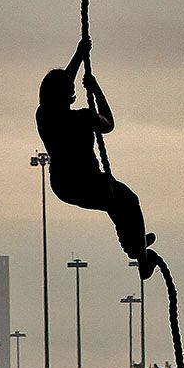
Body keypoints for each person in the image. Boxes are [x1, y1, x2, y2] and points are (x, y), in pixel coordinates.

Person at [37, 39, 157, 280]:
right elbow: (109, 124)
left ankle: (134, 244)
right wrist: (95, 88)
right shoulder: (83, 118)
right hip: (87, 182)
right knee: (128, 201)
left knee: (116, 204)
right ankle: (141, 258)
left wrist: (79, 55)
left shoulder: (44, 117)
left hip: (63, 185)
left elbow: (62, 85)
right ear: (69, 95)